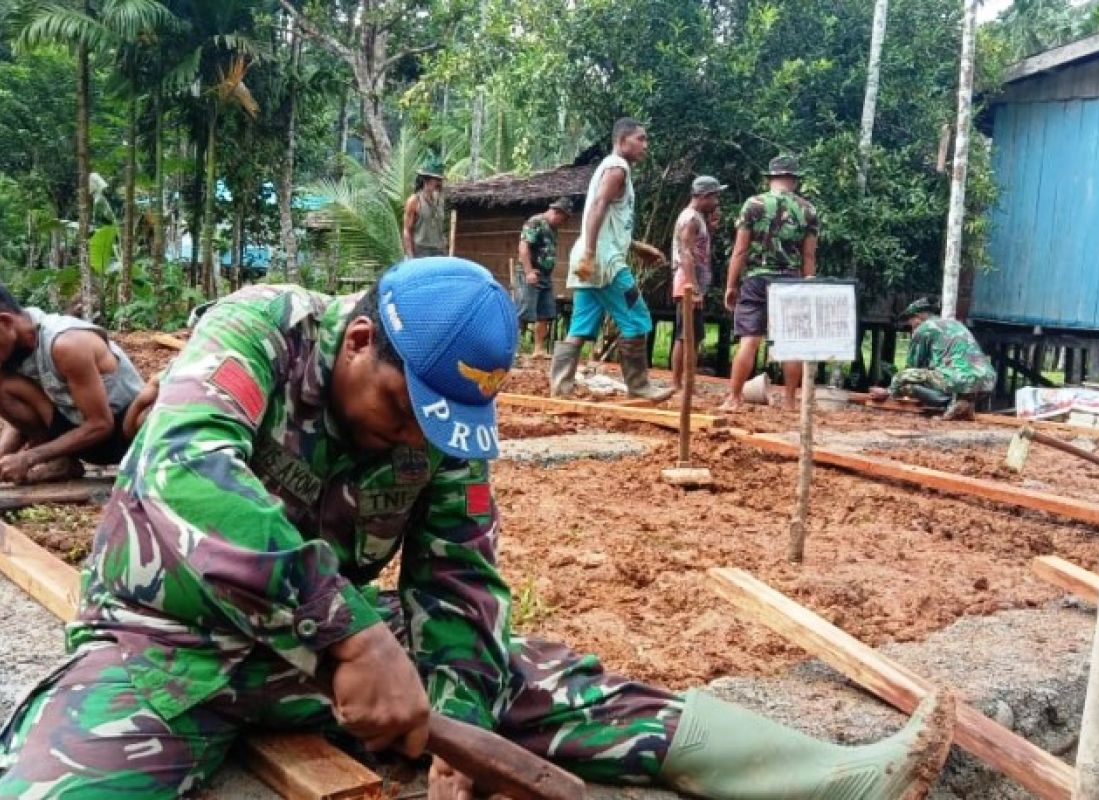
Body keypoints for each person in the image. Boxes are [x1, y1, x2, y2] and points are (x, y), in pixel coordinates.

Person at [0, 258, 955, 800]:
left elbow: (458, 586)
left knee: (538, 676)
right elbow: (180, 470)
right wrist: (354, 632)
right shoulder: (260, 333)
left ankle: (834, 781)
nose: (421, 434)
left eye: (441, 420)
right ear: (362, 340)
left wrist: (451, 720)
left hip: (331, 654)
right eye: (405, 405)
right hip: (164, 639)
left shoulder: (448, 418)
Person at [551, 118, 672, 402]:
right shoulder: (617, 169)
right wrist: (593, 254)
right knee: (638, 317)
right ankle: (639, 387)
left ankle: (561, 386)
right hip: (605, 263)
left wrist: (637, 246)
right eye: (640, 139)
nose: (645, 145)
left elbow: (609, 221)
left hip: (591, 259)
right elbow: (596, 208)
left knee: (580, 325)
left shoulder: (612, 168)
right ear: (622, 140)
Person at [0, 285, 145, 484]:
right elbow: (17, 417)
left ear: (5, 322)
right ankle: (61, 461)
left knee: (149, 414)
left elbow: (101, 425)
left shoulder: (67, 344)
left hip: (121, 434)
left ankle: (149, 467)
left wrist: (29, 457)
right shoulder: (15, 348)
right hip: (74, 432)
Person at [720, 154, 819, 412]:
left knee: (749, 341)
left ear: (771, 178)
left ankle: (734, 398)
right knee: (790, 343)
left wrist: (731, 285)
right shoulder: (808, 210)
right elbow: (809, 256)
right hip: (791, 280)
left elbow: (740, 251)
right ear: (793, 180)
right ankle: (788, 401)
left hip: (756, 278)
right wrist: (807, 287)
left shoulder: (753, 205)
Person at [870, 298, 996, 420]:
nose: (911, 327)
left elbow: (913, 367)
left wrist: (891, 390)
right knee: (944, 377)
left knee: (902, 377)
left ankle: (947, 402)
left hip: (958, 379)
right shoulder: (955, 324)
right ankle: (961, 403)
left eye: (911, 322)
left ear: (918, 317)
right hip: (988, 380)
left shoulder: (924, 328)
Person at [670, 176, 726, 391]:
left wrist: (711, 229)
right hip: (687, 282)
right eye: (714, 196)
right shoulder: (690, 219)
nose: (717, 201)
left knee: (692, 335)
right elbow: (685, 252)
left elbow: (696, 247)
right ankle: (678, 384)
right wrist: (692, 288)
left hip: (692, 283)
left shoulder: (698, 218)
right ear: (703, 196)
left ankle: (686, 383)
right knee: (686, 335)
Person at [517, 197, 573, 358]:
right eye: (564, 217)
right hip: (530, 273)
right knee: (523, 311)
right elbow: (523, 247)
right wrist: (528, 272)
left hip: (545, 275)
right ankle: (512, 348)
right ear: (557, 212)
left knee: (545, 313)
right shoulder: (535, 222)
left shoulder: (553, 228)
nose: (564, 221)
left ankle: (538, 349)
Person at [403, 158, 448, 259]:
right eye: (435, 179)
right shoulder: (414, 200)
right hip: (421, 251)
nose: (438, 182)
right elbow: (406, 230)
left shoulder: (440, 200)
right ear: (426, 179)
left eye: (439, 180)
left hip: (439, 250)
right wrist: (410, 255)